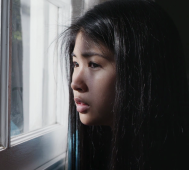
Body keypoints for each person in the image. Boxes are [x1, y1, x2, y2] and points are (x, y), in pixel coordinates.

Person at [63, 0, 189, 169]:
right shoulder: (93, 149)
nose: (75, 83)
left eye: (93, 64)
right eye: (76, 64)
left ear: (141, 72)